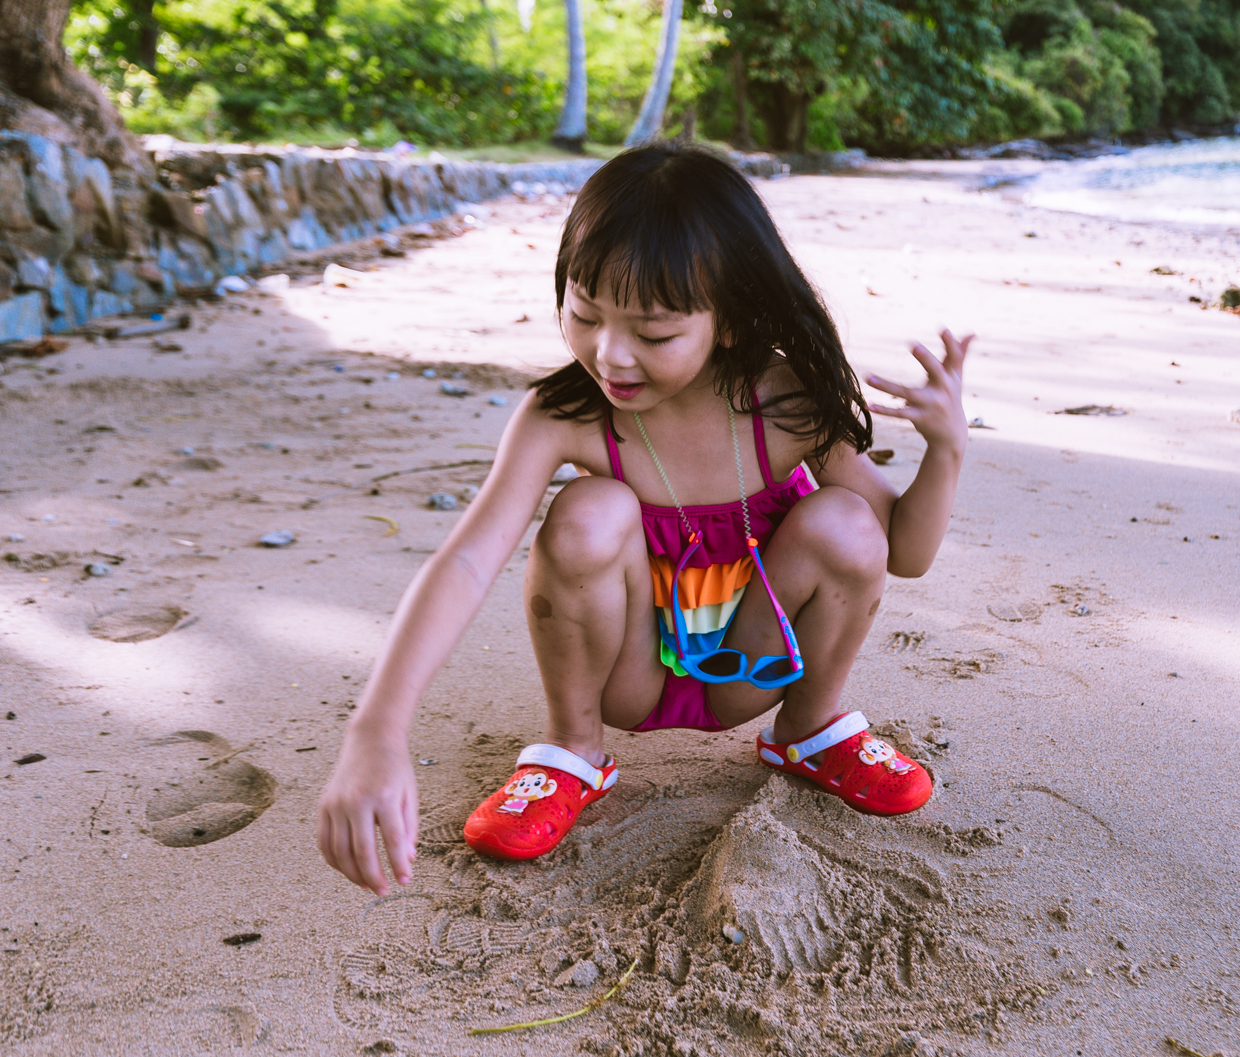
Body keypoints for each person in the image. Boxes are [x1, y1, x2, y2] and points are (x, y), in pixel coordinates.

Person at [315, 143, 973, 895]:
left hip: (746, 667)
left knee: (847, 523)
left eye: (653, 334)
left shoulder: (781, 403)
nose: (610, 354)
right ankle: (571, 750)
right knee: (590, 510)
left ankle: (809, 730)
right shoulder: (565, 414)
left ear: (732, 321)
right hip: (628, 672)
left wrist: (947, 450)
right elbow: (467, 560)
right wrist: (376, 729)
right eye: (584, 313)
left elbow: (903, 553)